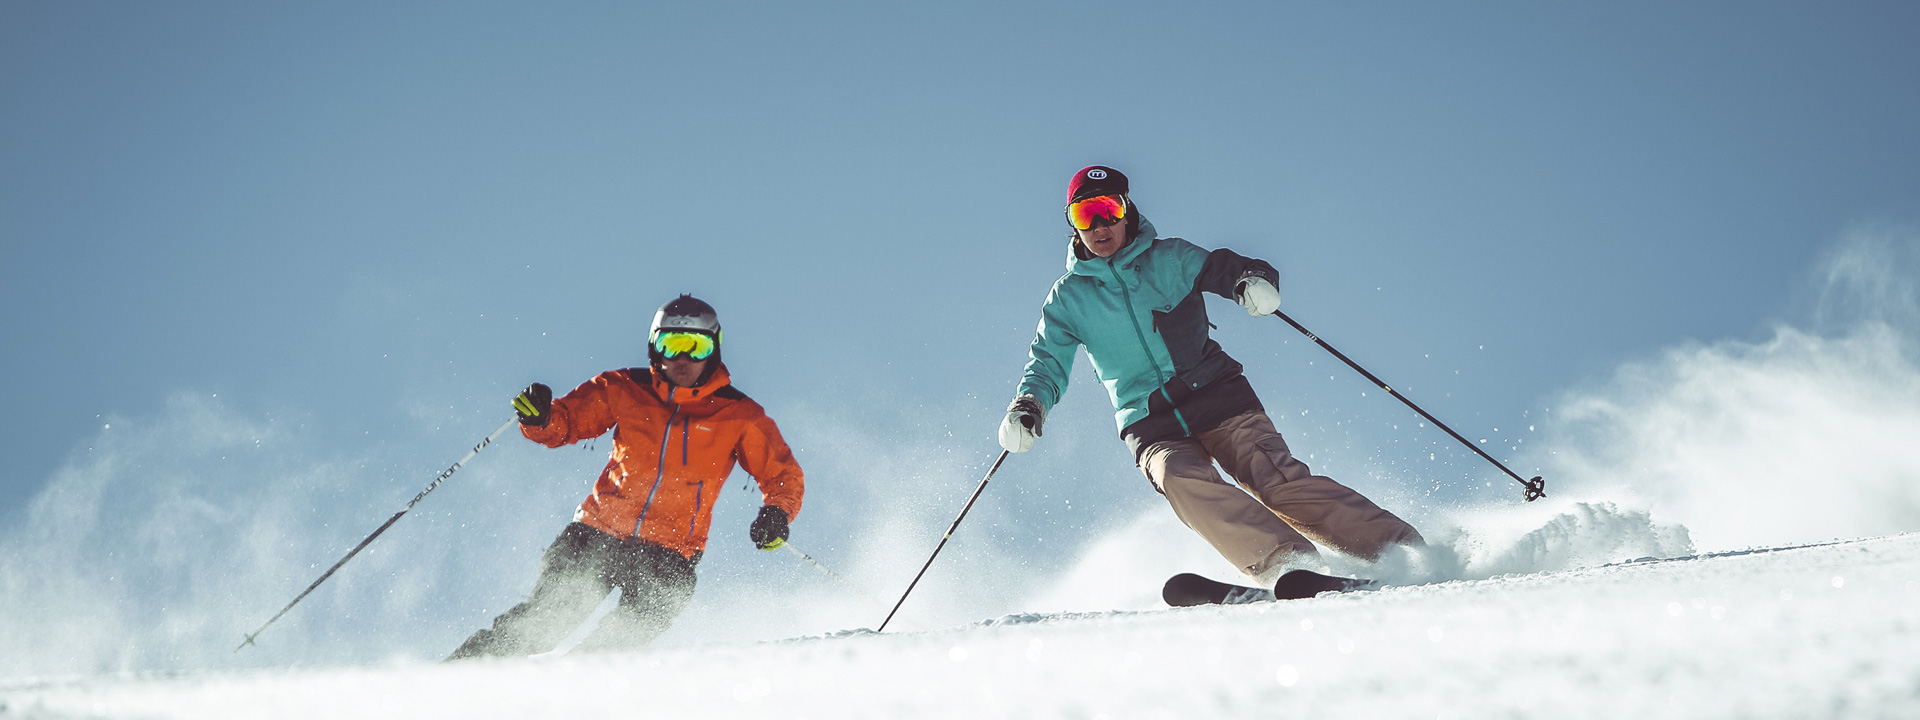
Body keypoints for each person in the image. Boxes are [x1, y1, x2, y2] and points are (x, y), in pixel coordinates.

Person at [998, 166, 1423, 588]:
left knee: (1276, 482)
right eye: (1085, 215)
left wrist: (1250, 282)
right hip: (1150, 422)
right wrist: (1028, 406)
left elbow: (1225, 267)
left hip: (1218, 396)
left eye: (1109, 209)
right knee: (1180, 480)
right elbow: (1046, 362)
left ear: (1127, 211)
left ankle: (1402, 550)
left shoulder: (1170, 258)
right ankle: (1288, 564)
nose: (1099, 225)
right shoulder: (1068, 297)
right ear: (1073, 225)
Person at [447, 295, 803, 660]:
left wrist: (777, 512)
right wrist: (539, 417)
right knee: (541, 625)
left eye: (695, 347)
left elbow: (782, 474)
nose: (682, 359)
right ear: (654, 347)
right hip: (596, 535)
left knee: (616, 645)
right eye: (671, 345)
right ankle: (446, 684)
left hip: (669, 554)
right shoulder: (624, 388)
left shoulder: (738, 415)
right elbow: (566, 422)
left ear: (714, 349)